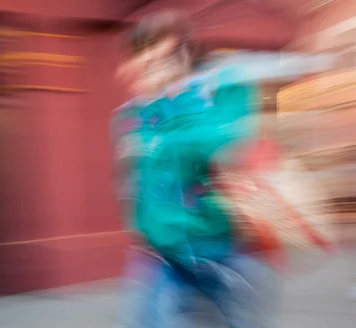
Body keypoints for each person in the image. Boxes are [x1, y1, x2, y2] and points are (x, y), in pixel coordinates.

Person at [111, 10, 281, 328]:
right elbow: (133, 180)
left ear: (185, 53)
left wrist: (173, 100)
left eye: (158, 57)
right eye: (140, 56)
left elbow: (226, 145)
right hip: (164, 257)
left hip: (232, 251)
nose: (146, 67)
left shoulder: (225, 89)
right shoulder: (131, 116)